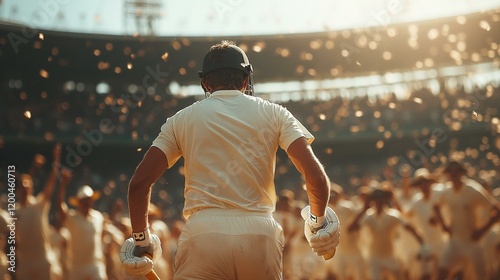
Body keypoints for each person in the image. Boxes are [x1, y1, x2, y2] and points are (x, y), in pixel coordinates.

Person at [120, 40, 340, 280]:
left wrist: (142, 241)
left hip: (203, 233)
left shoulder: (180, 120)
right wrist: (318, 223)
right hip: (259, 232)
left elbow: (139, 184)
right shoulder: (276, 113)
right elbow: (316, 177)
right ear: (245, 80)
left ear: (205, 82)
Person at [348, 181, 428, 280]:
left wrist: (423, 244)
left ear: (386, 200)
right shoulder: (368, 216)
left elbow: (410, 228)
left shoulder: (393, 215)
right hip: (374, 257)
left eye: (381, 199)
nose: (379, 202)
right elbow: (350, 229)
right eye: (376, 199)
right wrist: (364, 208)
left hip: (390, 256)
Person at [433, 160, 500, 280]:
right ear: (447, 174)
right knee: (442, 273)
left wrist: (482, 230)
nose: (453, 174)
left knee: (481, 277)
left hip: (473, 243)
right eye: (450, 171)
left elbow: (496, 210)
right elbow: (436, 207)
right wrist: (444, 226)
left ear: (462, 173)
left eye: (456, 171)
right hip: (454, 242)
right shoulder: (446, 192)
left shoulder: (473, 189)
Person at [16, 144, 62, 280]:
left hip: (42, 259)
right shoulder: (14, 210)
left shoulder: (39, 204)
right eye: (22, 187)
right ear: (18, 191)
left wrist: (57, 161)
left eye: (27, 187)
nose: (24, 190)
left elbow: (51, 184)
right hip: (24, 262)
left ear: (31, 189)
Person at [56, 172, 108, 280]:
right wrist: (62, 185)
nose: (86, 203)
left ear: (92, 201)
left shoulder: (98, 217)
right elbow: (61, 209)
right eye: (83, 200)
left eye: (88, 200)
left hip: (95, 264)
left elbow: (101, 236)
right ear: (78, 203)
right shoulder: (72, 217)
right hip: (76, 267)